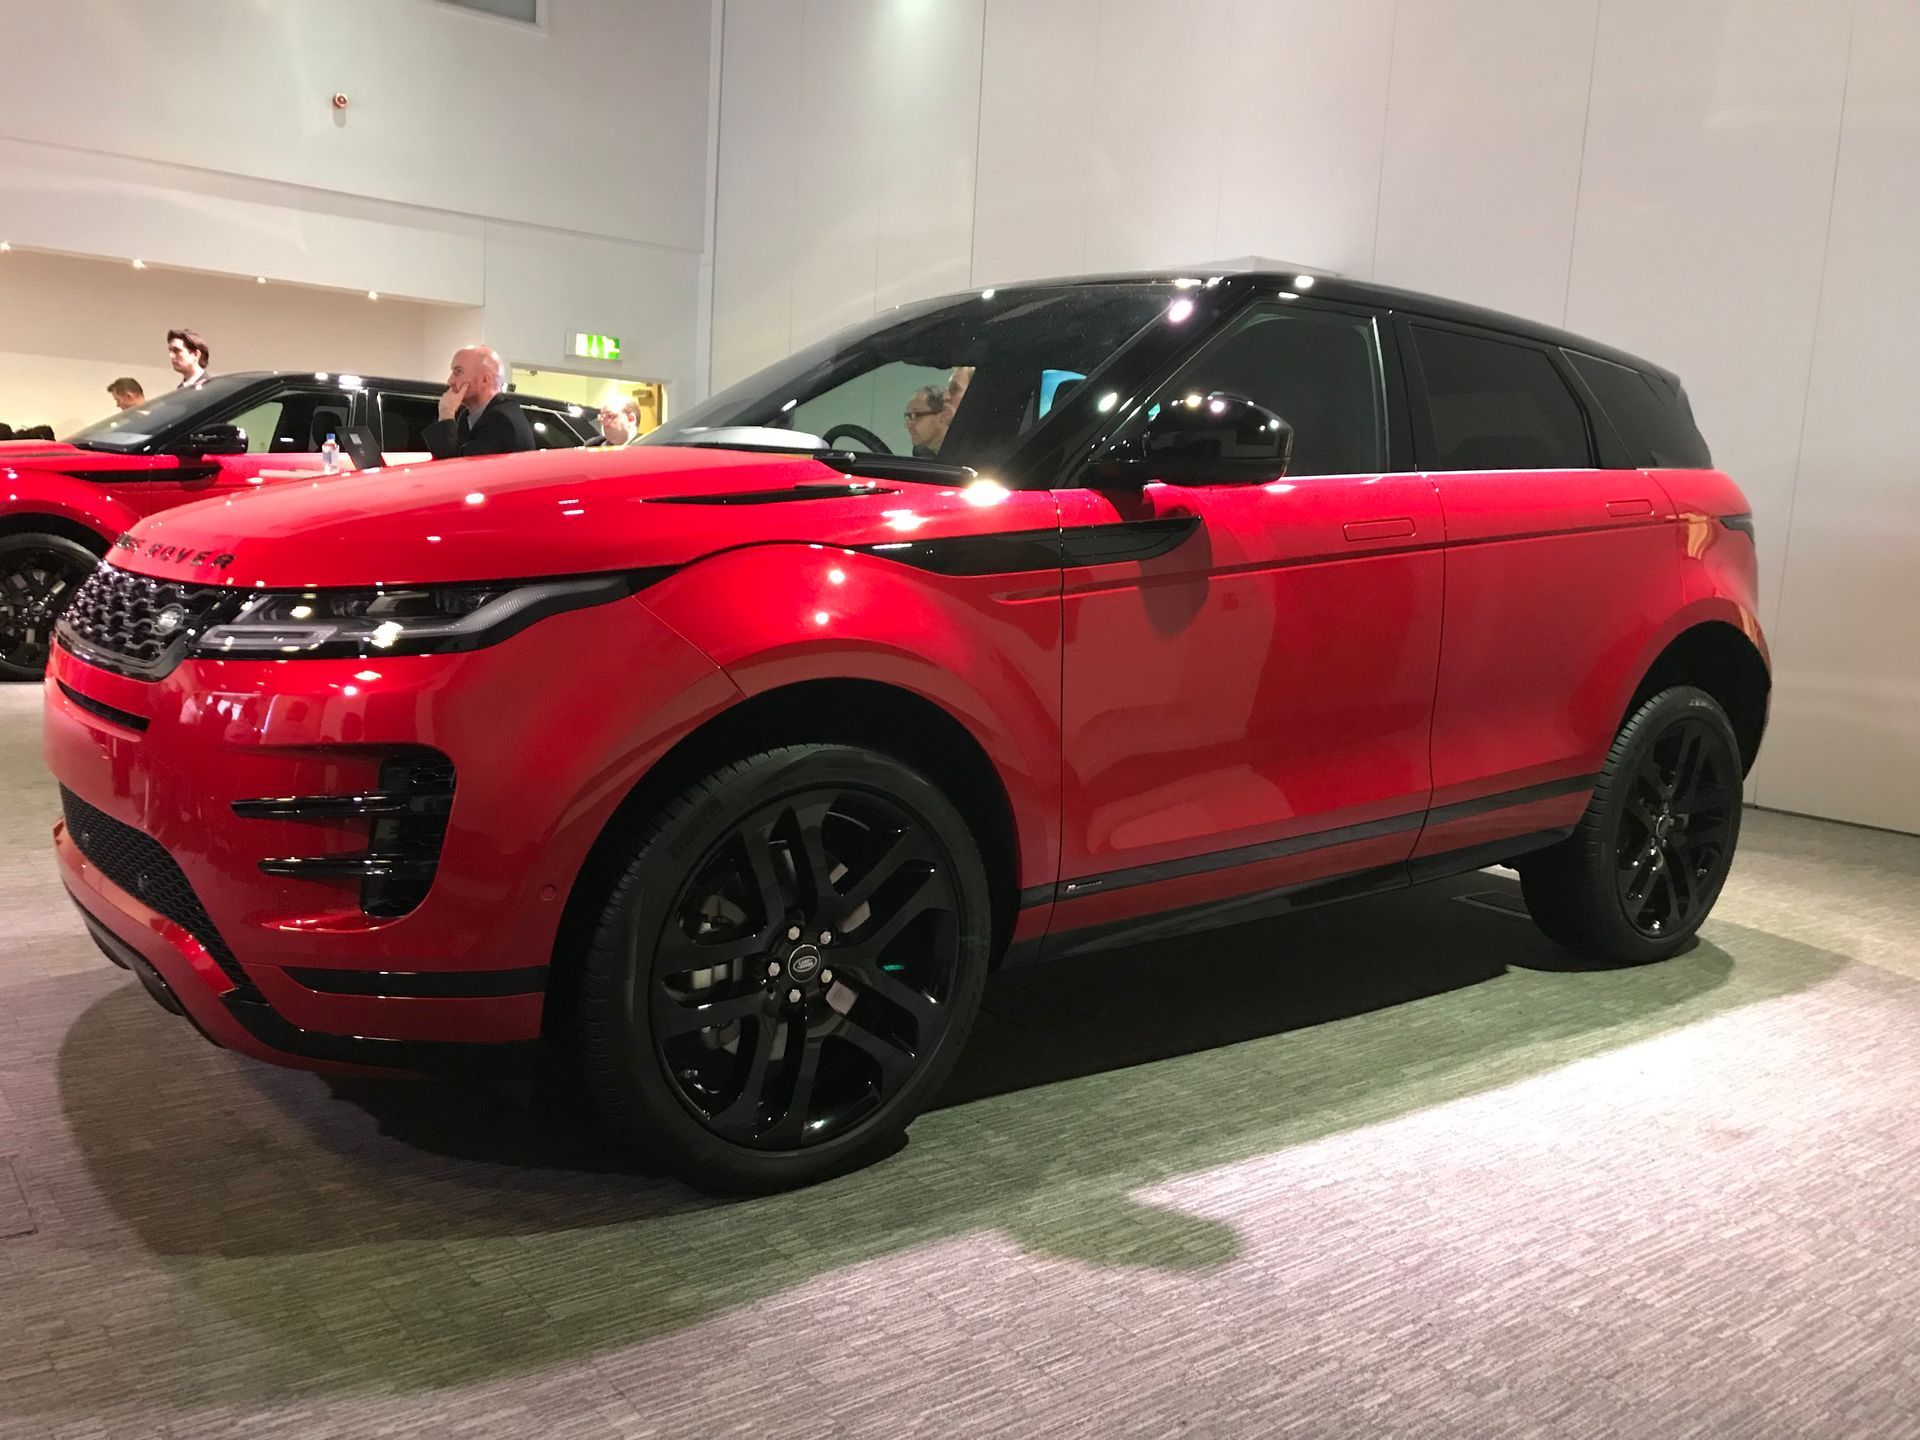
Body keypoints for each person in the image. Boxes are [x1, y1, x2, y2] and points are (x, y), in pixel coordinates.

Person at [422, 345, 536, 458]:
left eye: (458, 372)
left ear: (485, 380)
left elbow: (457, 469)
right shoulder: (468, 416)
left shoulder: (501, 421)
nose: (450, 380)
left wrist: (446, 413)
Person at [903, 385, 950, 458]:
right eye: (908, 416)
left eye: (916, 415)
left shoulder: (964, 454)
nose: (907, 425)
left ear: (942, 418)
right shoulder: (919, 454)